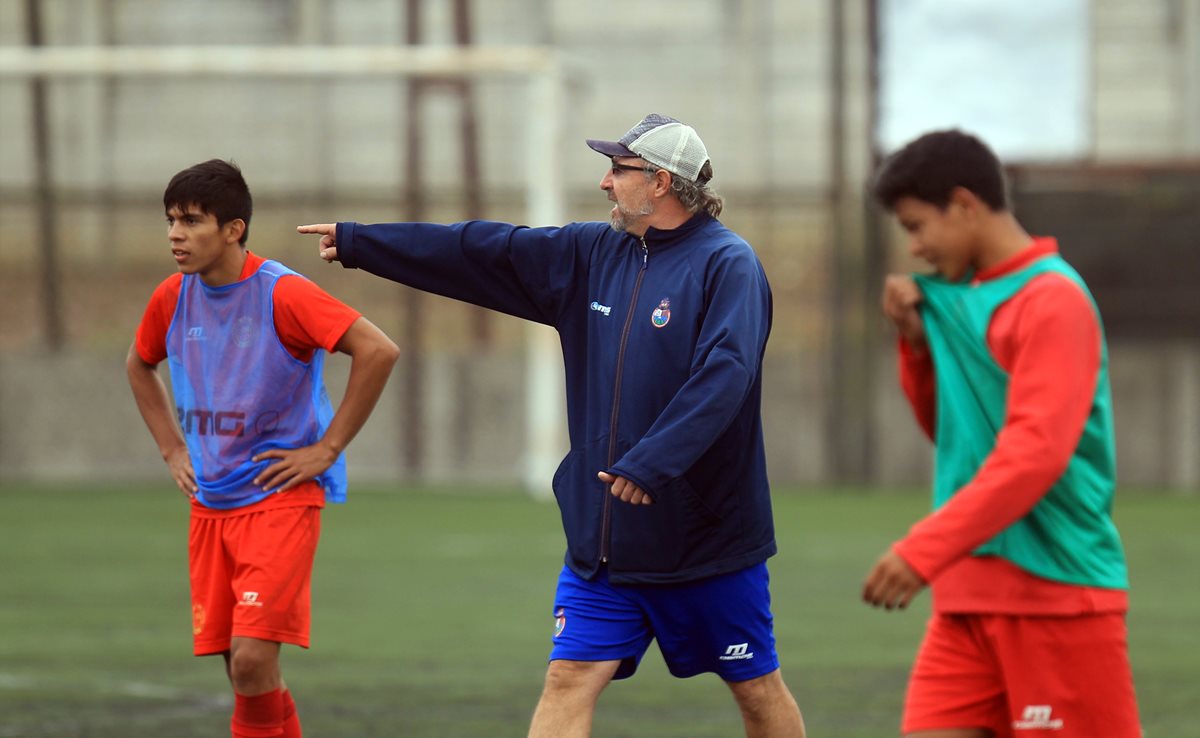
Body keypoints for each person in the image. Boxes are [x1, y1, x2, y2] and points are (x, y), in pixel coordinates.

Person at [298, 114, 806, 738]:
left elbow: (724, 375)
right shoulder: (591, 254)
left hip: (707, 544)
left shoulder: (729, 265)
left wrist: (653, 462)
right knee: (568, 679)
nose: (605, 182)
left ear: (664, 183)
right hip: (605, 544)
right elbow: (482, 249)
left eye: (620, 169)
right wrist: (362, 243)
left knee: (756, 688)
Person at [861, 130, 1141, 738]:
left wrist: (923, 550)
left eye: (916, 227)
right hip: (966, 603)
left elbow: (1034, 455)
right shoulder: (959, 299)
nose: (915, 248)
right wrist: (914, 345)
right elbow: (951, 433)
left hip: (1057, 598)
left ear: (964, 205)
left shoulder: (1053, 300)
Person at [126, 159, 399, 738]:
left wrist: (327, 449)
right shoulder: (171, 297)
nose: (175, 234)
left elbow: (378, 350)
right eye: (170, 220)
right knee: (243, 669)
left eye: (192, 220)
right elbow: (138, 364)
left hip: (279, 498)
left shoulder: (283, 293)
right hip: (211, 503)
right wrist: (172, 450)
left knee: (251, 660)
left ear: (234, 229)